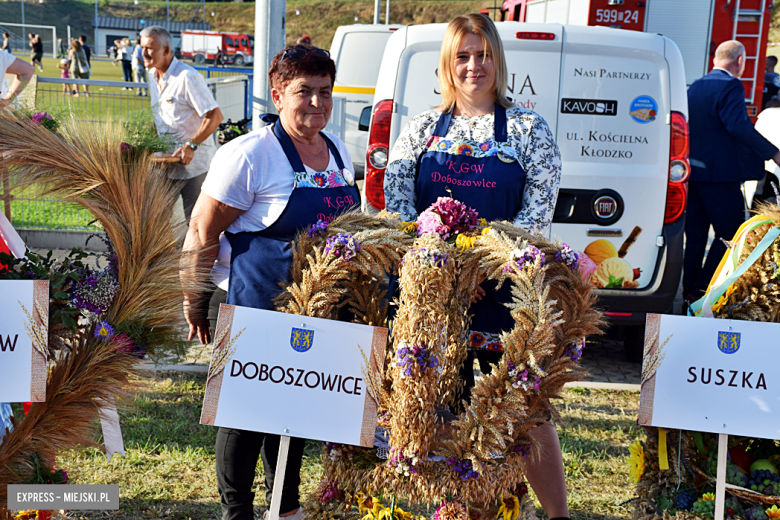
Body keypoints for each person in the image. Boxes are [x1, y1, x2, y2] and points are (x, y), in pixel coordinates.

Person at [383, 14, 569, 520]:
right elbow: (397, 211)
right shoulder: (421, 128)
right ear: (447, 63)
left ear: (498, 61)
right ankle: (461, 507)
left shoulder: (529, 130)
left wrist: (484, 265)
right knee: (443, 402)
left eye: (484, 55)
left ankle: (558, 516)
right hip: (432, 296)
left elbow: (534, 221)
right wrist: (434, 259)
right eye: (462, 56)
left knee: (525, 411)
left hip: (503, 295)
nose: (473, 66)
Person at [181, 42, 357, 520]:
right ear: (278, 94)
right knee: (245, 416)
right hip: (253, 303)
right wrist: (195, 301)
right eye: (305, 92)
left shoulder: (337, 149)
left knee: (295, 410)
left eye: (326, 92)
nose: (317, 103)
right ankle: (236, 512)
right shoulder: (250, 155)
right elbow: (201, 231)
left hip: (314, 311)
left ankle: (285, 507)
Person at [684, 40, 780, 304]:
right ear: (740, 61)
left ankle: (687, 293)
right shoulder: (731, 85)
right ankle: (702, 291)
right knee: (731, 233)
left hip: (694, 175)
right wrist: (773, 153)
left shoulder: (696, 86)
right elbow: (738, 126)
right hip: (720, 177)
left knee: (695, 238)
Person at [140, 26, 223, 223]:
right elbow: (161, 117)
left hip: (194, 168)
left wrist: (191, 145)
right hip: (166, 165)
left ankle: (199, 255)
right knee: (156, 221)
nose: (143, 53)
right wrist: (148, 143)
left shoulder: (188, 77)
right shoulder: (153, 76)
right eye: (142, 47)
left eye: (150, 48)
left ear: (166, 50)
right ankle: (167, 254)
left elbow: (215, 116)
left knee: (195, 224)